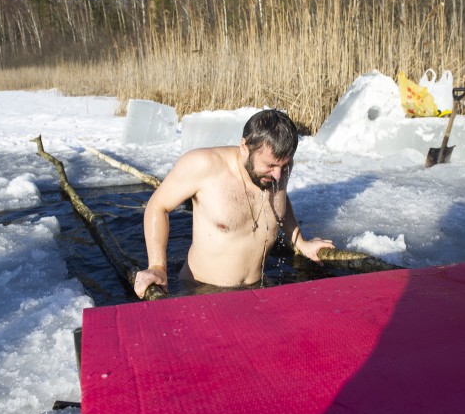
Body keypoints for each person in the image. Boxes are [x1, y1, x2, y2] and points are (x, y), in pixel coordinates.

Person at [134, 109, 334, 298]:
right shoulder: (204, 165)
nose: (278, 174)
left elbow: (279, 202)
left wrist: (301, 242)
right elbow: (158, 206)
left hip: (258, 291)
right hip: (203, 292)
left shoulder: (279, 168)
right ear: (244, 147)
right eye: (270, 165)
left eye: (283, 165)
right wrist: (157, 267)